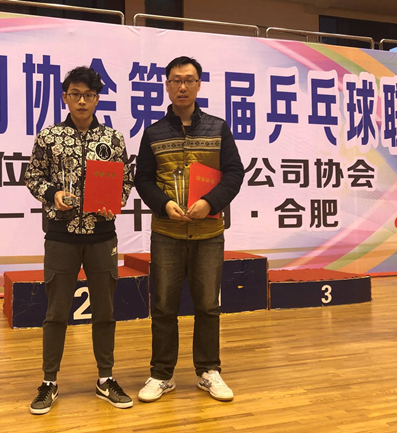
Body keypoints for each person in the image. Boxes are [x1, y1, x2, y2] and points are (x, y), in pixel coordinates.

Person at [24, 66, 134, 415]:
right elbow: (33, 176)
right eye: (75, 94)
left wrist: (114, 202)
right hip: (61, 235)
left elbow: (126, 180)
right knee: (56, 312)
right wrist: (53, 194)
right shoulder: (49, 137)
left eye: (88, 95)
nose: (82, 101)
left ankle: (106, 378)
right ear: (65, 97)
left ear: (97, 98)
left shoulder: (113, 139)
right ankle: (49, 381)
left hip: (102, 236)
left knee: (105, 311)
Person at [134, 56, 244, 403]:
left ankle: (208, 371)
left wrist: (210, 202)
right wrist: (164, 204)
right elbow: (143, 179)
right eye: (176, 80)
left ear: (198, 85)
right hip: (166, 232)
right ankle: (161, 374)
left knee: (208, 305)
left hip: (208, 233)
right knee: (164, 306)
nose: (182, 86)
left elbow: (234, 173)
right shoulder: (153, 132)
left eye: (189, 80)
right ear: (167, 86)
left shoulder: (218, 127)